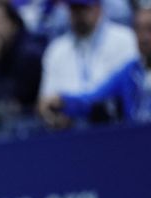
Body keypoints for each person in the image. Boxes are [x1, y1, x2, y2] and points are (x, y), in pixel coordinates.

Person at [37, 0, 141, 128]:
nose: (78, 15)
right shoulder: (56, 50)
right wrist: (52, 114)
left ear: (98, 8)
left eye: (83, 9)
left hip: (117, 127)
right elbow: (46, 100)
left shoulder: (125, 39)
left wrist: (67, 102)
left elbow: (121, 92)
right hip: (70, 133)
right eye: (74, 9)